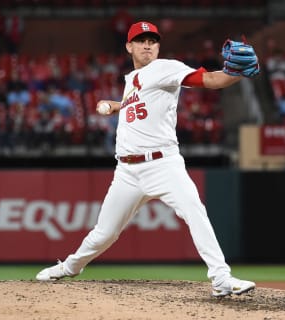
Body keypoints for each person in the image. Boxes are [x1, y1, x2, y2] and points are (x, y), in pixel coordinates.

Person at [36, 21, 258, 297]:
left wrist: (236, 73)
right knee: (104, 233)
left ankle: (222, 279)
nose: (147, 45)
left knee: (194, 211)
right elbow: (139, 103)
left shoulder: (165, 67)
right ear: (129, 46)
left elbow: (212, 80)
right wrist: (116, 105)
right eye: (141, 40)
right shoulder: (132, 80)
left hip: (163, 164)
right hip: (127, 172)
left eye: (152, 40)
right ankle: (68, 267)